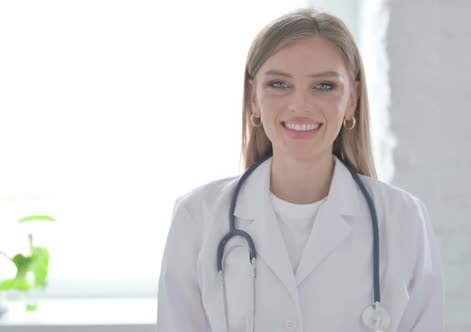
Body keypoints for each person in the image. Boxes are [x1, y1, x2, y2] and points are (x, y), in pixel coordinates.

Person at [157, 8, 444, 332]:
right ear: (254, 98)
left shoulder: (403, 219)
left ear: (352, 99)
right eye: (279, 84)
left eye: (324, 86)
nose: (300, 105)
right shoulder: (198, 217)